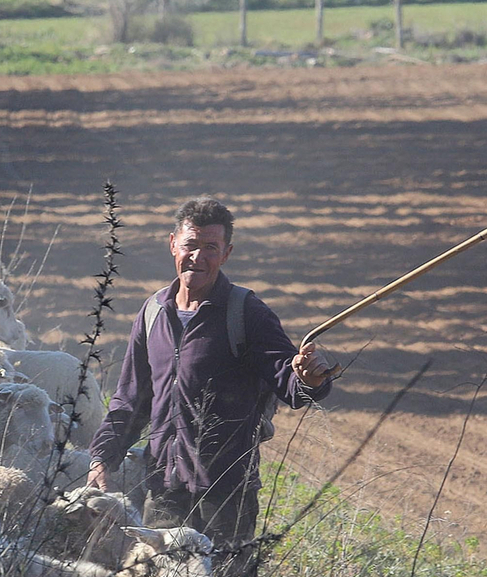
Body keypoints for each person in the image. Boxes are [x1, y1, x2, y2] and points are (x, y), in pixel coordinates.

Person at [86, 198, 338, 548]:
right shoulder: (153, 313)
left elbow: (290, 384)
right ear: (172, 243)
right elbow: (131, 399)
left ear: (226, 253)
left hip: (226, 496)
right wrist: (102, 456)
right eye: (190, 245)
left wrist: (310, 379)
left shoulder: (247, 313)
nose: (197, 257)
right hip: (163, 491)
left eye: (210, 248)